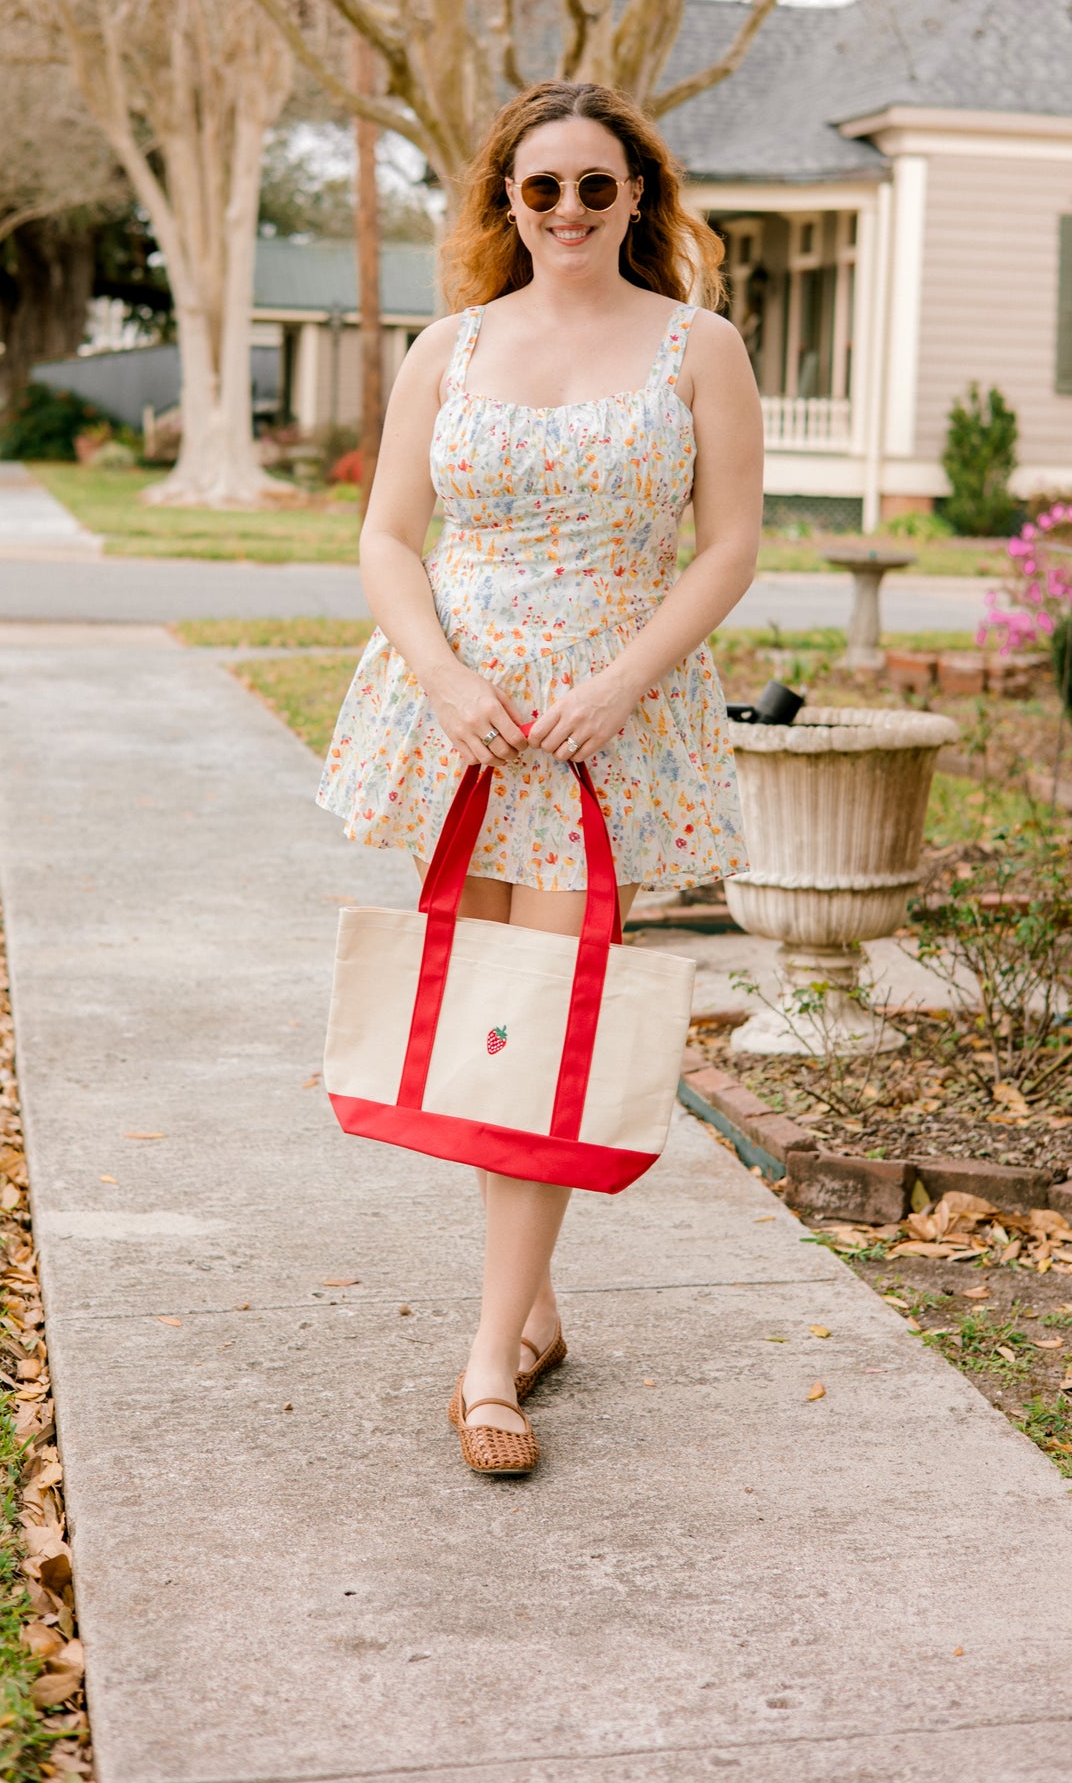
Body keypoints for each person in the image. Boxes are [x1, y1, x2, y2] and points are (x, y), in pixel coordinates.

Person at [318, 80, 763, 1474]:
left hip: (604, 725)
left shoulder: (701, 346)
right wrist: (447, 678)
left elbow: (729, 547)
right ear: (504, 202)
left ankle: (483, 1359)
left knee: (546, 1014)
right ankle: (534, 1309)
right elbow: (390, 539)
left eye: (594, 185)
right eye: (540, 188)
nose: (566, 210)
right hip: (461, 722)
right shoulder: (446, 347)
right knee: (492, 1015)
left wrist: (621, 680)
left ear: (638, 195)